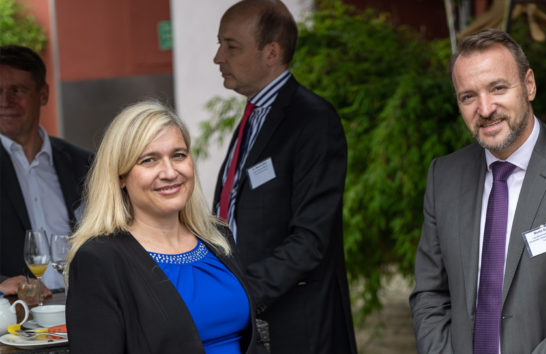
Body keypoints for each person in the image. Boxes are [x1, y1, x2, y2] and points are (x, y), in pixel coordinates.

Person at [409, 28, 546, 353]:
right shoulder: (444, 176)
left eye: (498, 88)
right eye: (468, 96)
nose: (485, 109)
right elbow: (429, 293)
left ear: (529, 85)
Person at [212, 1, 357, 353]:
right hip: (247, 320)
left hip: (297, 328)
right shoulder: (255, 116)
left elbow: (310, 240)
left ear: (271, 53)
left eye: (231, 47)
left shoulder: (312, 121)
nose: (218, 57)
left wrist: (241, 292)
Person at [66, 101, 263, 353]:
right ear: (121, 177)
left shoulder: (217, 237)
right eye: (149, 160)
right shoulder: (99, 260)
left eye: (178, 155)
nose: (170, 172)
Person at [0, 45, 92, 294]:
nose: (5, 101)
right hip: (12, 320)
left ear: (43, 94)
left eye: (16, 90)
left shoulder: (85, 164)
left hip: (82, 309)